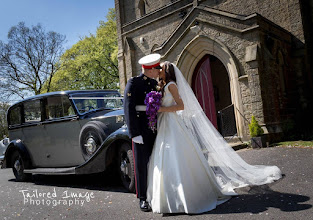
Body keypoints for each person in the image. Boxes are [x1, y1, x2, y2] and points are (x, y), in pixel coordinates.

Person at [146, 61, 282, 214]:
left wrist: (161, 108)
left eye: (161, 68)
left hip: (173, 124)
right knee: (164, 155)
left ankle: (186, 197)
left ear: (168, 71)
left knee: (177, 156)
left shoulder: (171, 85)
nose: (158, 70)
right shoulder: (162, 85)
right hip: (165, 124)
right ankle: (167, 196)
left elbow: (181, 106)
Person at [123, 53, 162, 212]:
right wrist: (134, 133)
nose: (159, 71)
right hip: (140, 129)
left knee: (156, 161)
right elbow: (128, 108)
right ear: (150, 69)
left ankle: (155, 192)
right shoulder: (134, 83)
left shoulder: (154, 83)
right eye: (157, 69)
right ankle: (143, 198)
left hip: (155, 128)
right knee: (140, 165)